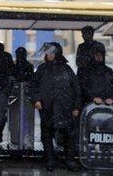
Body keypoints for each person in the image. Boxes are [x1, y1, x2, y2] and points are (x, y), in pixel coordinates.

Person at [30, 42, 81, 171]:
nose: (49, 55)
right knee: (47, 135)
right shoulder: (42, 69)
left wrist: (76, 107)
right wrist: (36, 100)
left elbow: (76, 89)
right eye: (48, 53)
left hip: (66, 108)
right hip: (48, 108)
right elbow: (33, 86)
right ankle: (50, 160)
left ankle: (70, 160)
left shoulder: (67, 69)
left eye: (51, 53)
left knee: (69, 136)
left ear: (57, 54)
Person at [78, 42, 113, 107]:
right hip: (90, 105)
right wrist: (93, 98)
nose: (99, 57)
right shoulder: (86, 72)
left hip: (108, 105)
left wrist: (112, 98)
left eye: (101, 55)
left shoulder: (109, 71)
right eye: (96, 55)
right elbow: (83, 87)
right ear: (92, 56)